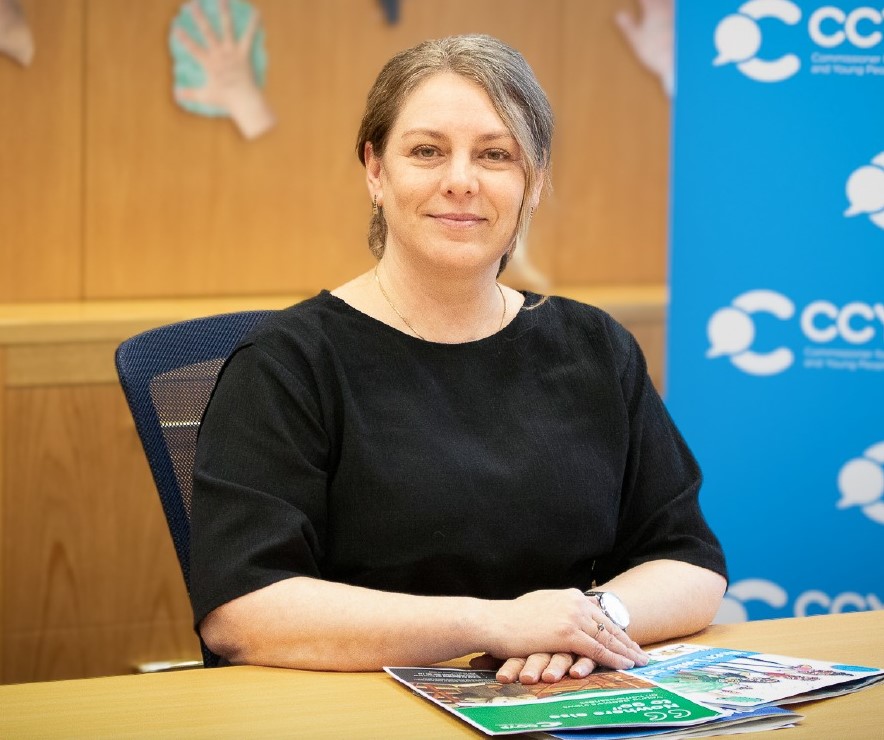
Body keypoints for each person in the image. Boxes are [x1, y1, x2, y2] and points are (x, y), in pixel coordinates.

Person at [190, 33, 727, 686]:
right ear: (375, 171)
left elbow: (690, 562)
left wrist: (590, 617)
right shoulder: (285, 364)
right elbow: (242, 610)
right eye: (427, 151)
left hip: (558, 700)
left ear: (533, 183)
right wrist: (494, 624)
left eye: (496, 155)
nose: (462, 181)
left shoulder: (595, 347)